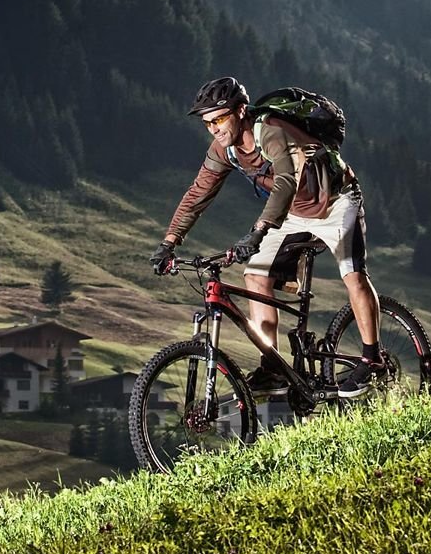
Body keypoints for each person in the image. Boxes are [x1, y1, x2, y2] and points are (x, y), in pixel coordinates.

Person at [153, 76, 386, 392]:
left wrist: (259, 231)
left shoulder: (271, 130)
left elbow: (285, 183)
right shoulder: (224, 150)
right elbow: (198, 194)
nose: (214, 129)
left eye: (219, 119)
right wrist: (169, 243)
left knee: (352, 274)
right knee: (255, 276)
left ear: (240, 111)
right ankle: (274, 367)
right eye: (208, 123)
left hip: (336, 201)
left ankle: (373, 360)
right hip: (294, 213)